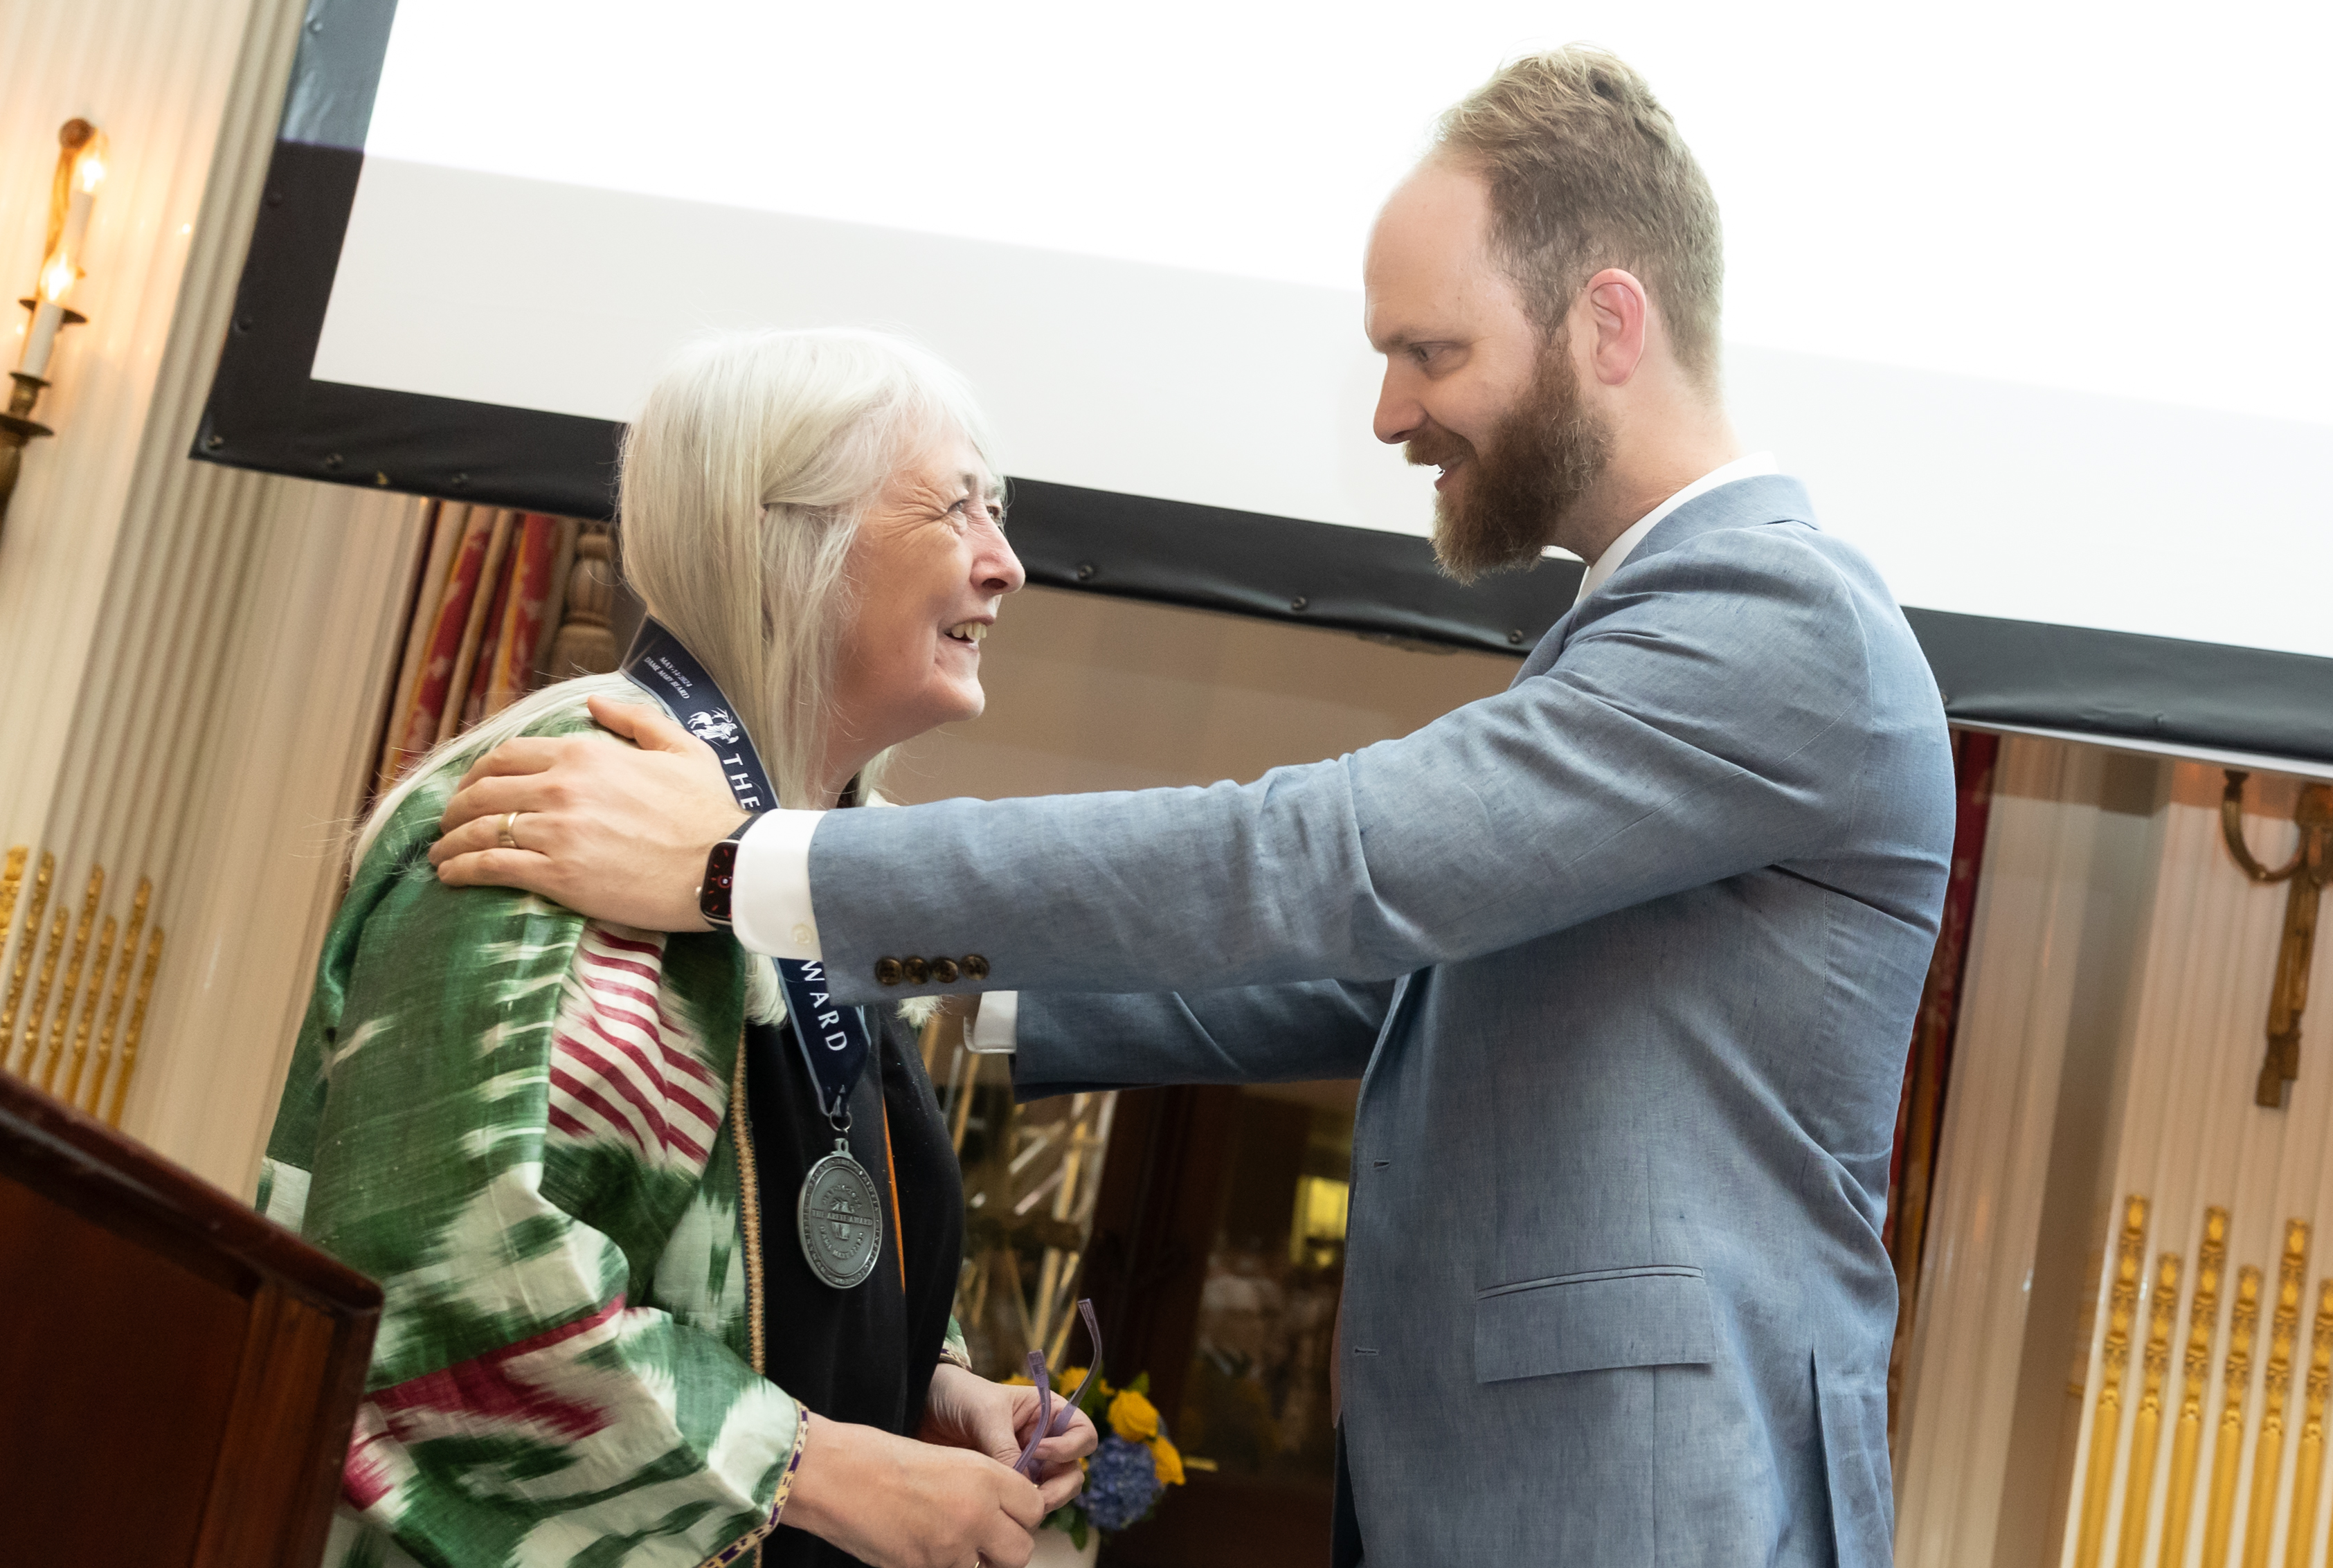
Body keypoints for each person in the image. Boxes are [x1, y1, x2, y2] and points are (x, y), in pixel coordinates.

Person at [428, 48, 1954, 1567]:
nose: (1388, 413)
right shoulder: (1665, 634)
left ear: (1607, 322)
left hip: (1642, 1501)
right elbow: (1385, 981)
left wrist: (739, 864)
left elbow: (1324, 870)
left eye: (1429, 350)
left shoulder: (1773, 620)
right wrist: (947, 991)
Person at [256, 328, 1092, 1568]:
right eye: (957, 507)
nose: (1006, 564)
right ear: (786, 538)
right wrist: (824, 1463)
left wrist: (929, 1385)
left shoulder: (797, 866)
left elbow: (775, 1251)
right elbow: (450, 1291)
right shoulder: (568, 805)